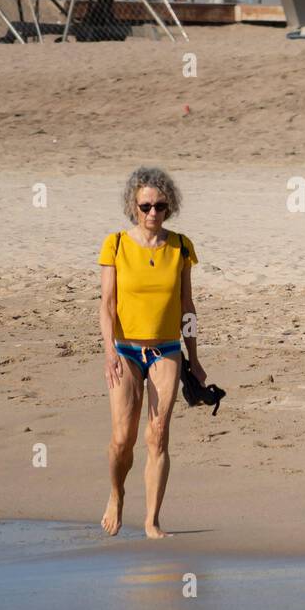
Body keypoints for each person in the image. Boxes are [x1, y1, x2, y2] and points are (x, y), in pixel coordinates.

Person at [98, 166, 206, 538]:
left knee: (158, 435)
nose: (153, 213)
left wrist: (194, 357)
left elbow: (187, 306)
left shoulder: (181, 247)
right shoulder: (115, 244)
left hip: (167, 349)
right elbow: (107, 304)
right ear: (134, 206)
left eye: (160, 206)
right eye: (145, 206)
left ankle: (152, 520)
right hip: (125, 351)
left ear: (169, 207)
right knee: (122, 439)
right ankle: (116, 494)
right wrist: (109, 351)